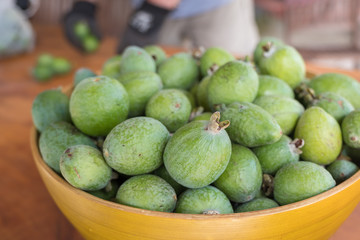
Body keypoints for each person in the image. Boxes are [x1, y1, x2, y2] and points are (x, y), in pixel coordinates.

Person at [63, 0, 259, 56]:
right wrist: (85, 6)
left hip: (216, 7)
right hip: (149, 4)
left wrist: (153, 11)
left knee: (230, 71)